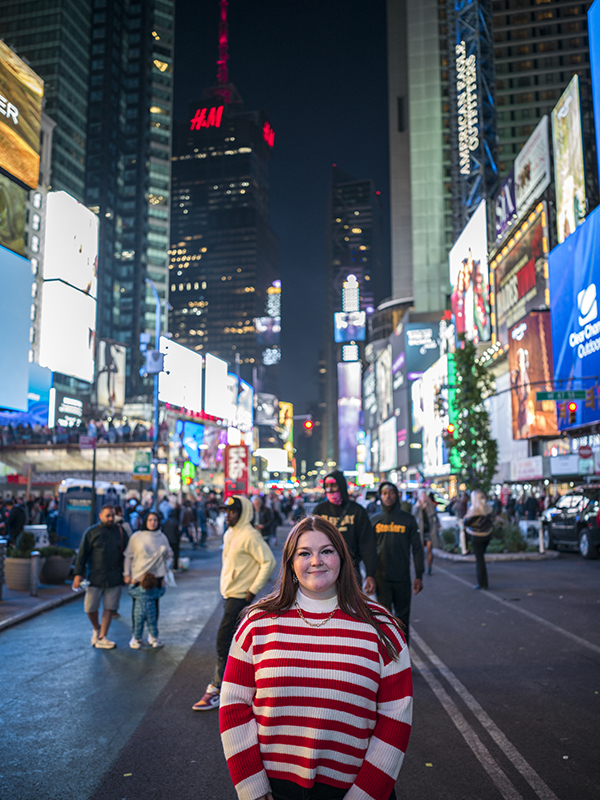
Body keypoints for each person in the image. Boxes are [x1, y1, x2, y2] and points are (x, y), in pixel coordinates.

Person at [219, 515, 412, 800]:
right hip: (275, 791)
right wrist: (253, 789)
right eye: (304, 553)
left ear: (342, 558)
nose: (316, 561)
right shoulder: (256, 623)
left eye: (327, 551)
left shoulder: (382, 627)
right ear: (290, 562)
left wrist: (365, 795)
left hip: (355, 789)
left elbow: (396, 717)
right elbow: (233, 704)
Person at [192, 495, 276, 711]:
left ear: (243, 513)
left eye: (233, 511)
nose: (228, 515)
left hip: (240, 597)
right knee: (235, 643)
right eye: (226, 511)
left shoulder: (250, 535)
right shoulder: (230, 532)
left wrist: (251, 591)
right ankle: (240, 686)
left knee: (223, 641)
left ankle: (217, 688)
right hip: (229, 594)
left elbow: (268, 561)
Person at [370, 482, 424, 644]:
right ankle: (387, 662)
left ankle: (403, 661)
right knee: (384, 622)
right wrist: (369, 576)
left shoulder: (407, 520)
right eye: (384, 493)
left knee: (403, 622)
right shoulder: (374, 520)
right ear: (380, 496)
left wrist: (419, 575)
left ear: (397, 495)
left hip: (402, 578)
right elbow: (368, 551)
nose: (388, 496)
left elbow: (417, 548)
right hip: (381, 578)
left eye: (391, 492)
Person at [72, 505, 129, 649]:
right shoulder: (91, 533)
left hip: (114, 576)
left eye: (112, 515)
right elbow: (82, 555)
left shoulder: (120, 532)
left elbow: (128, 554)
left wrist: (127, 573)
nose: (110, 518)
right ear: (100, 516)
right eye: (107, 516)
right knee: (90, 607)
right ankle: (97, 628)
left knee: (109, 607)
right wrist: (78, 575)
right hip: (95, 576)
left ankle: (102, 636)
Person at [314, 470, 377, 595]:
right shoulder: (320, 510)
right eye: (327, 486)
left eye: (334, 485)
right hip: (324, 570)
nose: (330, 490)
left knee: (350, 610)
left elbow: (367, 544)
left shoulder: (357, 511)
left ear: (342, 486)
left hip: (351, 570)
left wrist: (370, 574)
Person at [123, 510, 173, 648]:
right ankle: (136, 637)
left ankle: (153, 636)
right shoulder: (136, 537)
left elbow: (168, 556)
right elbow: (128, 556)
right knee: (137, 612)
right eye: (150, 520)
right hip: (138, 577)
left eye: (155, 520)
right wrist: (126, 574)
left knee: (154, 609)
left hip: (156, 578)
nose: (153, 523)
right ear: (145, 521)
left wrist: (164, 576)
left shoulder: (162, 537)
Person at [464, 489, 494, 590]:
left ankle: (482, 583)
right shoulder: (487, 508)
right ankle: (484, 582)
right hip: (487, 534)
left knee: (479, 560)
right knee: (481, 559)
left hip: (476, 536)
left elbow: (466, 522)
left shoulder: (473, 510)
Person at [128, 572, 167, 649]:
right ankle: (154, 640)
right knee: (152, 625)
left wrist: (132, 584)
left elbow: (130, 592)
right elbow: (161, 592)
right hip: (151, 611)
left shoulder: (138, 591)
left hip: (138, 612)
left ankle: (136, 640)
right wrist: (163, 586)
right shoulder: (154, 591)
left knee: (138, 626)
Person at [413, 490, 440, 576]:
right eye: (422, 496)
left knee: (429, 550)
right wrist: (417, 506)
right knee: (420, 551)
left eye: (425, 496)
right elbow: (413, 516)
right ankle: (420, 567)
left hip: (429, 530)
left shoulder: (430, 506)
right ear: (419, 497)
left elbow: (435, 516)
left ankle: (429, 567)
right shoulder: (417, 506)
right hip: (420, 531)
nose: (423, 497)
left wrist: (438, 525)